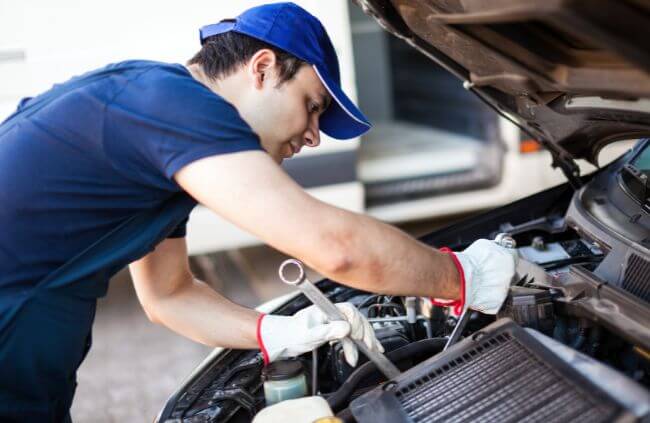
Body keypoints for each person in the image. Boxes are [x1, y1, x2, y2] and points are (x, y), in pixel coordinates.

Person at [0, 3, 516, 421]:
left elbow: (168, 294)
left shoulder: (160, 127)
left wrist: (272, 331)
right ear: (263, 68)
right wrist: (461, 275)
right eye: (313, 106)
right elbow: (336, 249)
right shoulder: (176, 106)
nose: (313, 135)